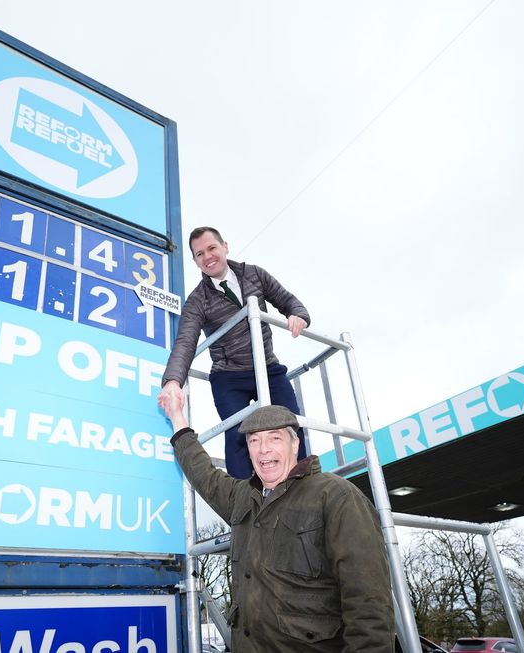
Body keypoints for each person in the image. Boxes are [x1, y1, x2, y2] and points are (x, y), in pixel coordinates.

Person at [160, 396, 395, 653]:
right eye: (254, 441)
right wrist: (176, 416)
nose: (263, 449)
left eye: (274, 438)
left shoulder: (336, 496)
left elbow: (368, 605)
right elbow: (202, 472)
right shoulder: (242, 498)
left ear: (295, 445)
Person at [158, 226, 310, 478]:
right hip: (229, 377)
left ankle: (305, 487)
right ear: (195, 261)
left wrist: (298, 315)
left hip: (268, 367)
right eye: (199, 254)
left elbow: (288, 300)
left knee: (293, 425)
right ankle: (244, 504)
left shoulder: (254, 275)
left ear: (225, 247)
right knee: (238, 434)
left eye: (211, 248)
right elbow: (185, 341)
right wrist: (173, 381)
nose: (207, 257)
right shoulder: (198, 300)